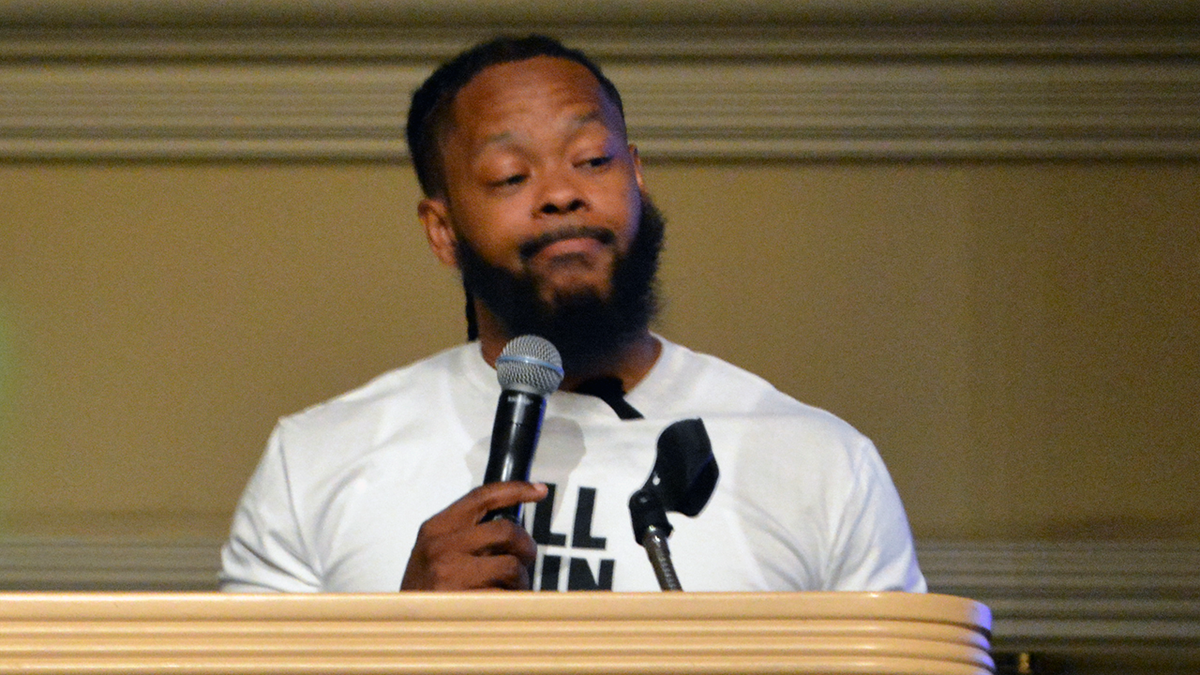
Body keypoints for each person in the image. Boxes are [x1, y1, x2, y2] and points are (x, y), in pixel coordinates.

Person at [220, 35, 926, 593]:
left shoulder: (822, 463)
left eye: (592, 160)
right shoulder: (314, 461)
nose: (561, 193)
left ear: (638, 179)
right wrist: (400, 637)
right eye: (510, 176)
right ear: (442, 230)